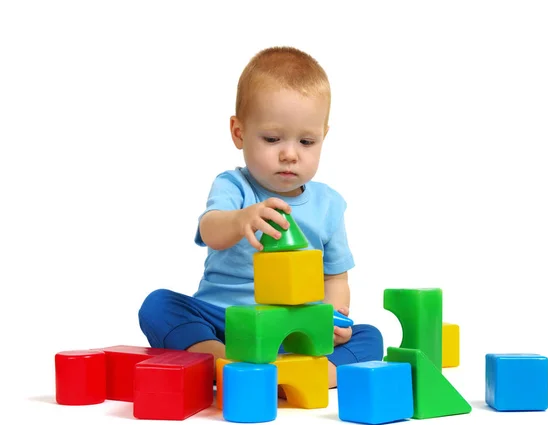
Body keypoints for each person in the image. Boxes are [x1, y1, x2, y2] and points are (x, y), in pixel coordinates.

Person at [138, 46, 383, 388]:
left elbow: (335, 279)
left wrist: (331, 319)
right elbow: (210, 230)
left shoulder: (329, 204)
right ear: (239, 132)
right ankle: (220, 361)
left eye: (307, 141)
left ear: (324, 137)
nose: (289, 154)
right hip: (224, 320)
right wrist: (241, 220)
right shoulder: (234, 186)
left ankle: (299, 378)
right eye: (271, 138)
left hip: (293, 331)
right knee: (158, 305)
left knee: (370, 337)